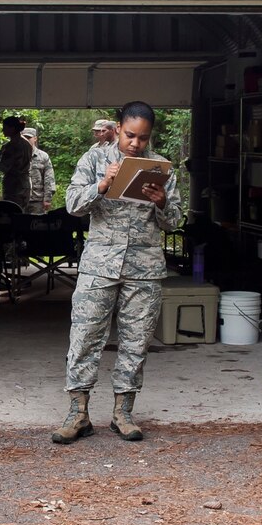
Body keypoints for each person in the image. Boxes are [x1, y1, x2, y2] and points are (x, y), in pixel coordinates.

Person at [54, 101, 184, 444]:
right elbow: (71, 205)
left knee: (135, 342)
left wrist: (161, 203)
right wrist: (101, 186)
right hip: (100, 265)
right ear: (117, 128)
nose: (135, 144)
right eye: (130, 135)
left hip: (144, 269)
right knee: (84, 338)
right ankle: (78, 413)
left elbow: (175, 221)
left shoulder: (160, 168)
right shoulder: (94, 159)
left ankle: (122, 413)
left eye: (142, 138)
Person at [0, 115, 33, 209]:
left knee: (12, 214)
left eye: (5, 128)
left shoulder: (11, 146)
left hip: (13, 187)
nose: (3, 130)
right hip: (24, 186)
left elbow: (3, 166)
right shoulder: (27, 144)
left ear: (12, 128)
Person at [25, 126, 56, 212]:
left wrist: (47, 199)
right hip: (20, 199)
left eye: (29, 138)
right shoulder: (16, 156)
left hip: (37, 200)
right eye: (24, 138)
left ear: (35, 139)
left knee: (37, 224)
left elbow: (49, 179)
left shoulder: (43, 156)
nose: (26, 140)